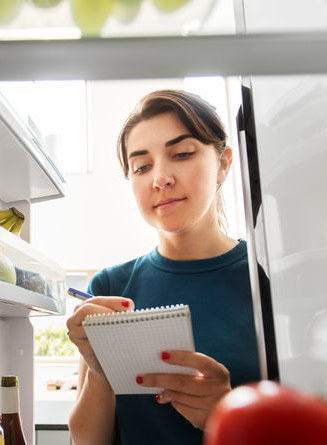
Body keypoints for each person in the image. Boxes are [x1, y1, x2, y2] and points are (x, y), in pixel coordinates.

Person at [66, 90, 262, 445]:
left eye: (182, 154)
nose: (160, 178)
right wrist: (100, 370)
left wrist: (229, 414)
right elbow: (88, 441)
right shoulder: (111, 286)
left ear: (223, 163)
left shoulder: (267, 279)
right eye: (142, 166)